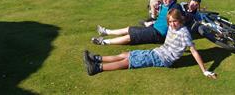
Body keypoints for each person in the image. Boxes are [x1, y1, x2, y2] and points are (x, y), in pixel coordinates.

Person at [83, 8, 217, 79]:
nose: (171, 24)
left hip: (164, 59)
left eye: (174, 21)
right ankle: (96, 58)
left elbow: (194, 51)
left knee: (130, 61)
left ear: (180, 20)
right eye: (169, 21)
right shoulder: (171, 27)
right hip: (158, 51)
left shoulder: (184, 33)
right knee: (127, 54)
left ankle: (96, 68)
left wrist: (204, 71)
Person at [91, 0, 182, 45]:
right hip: (153, 28)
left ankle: (103, 42)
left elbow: (179, 18)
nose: (164, 1)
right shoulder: (164, 5)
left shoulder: (175, 7)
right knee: (129, 29)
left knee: (130, 37)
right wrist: (153, 20)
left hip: (158, 34)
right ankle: (106, 32)